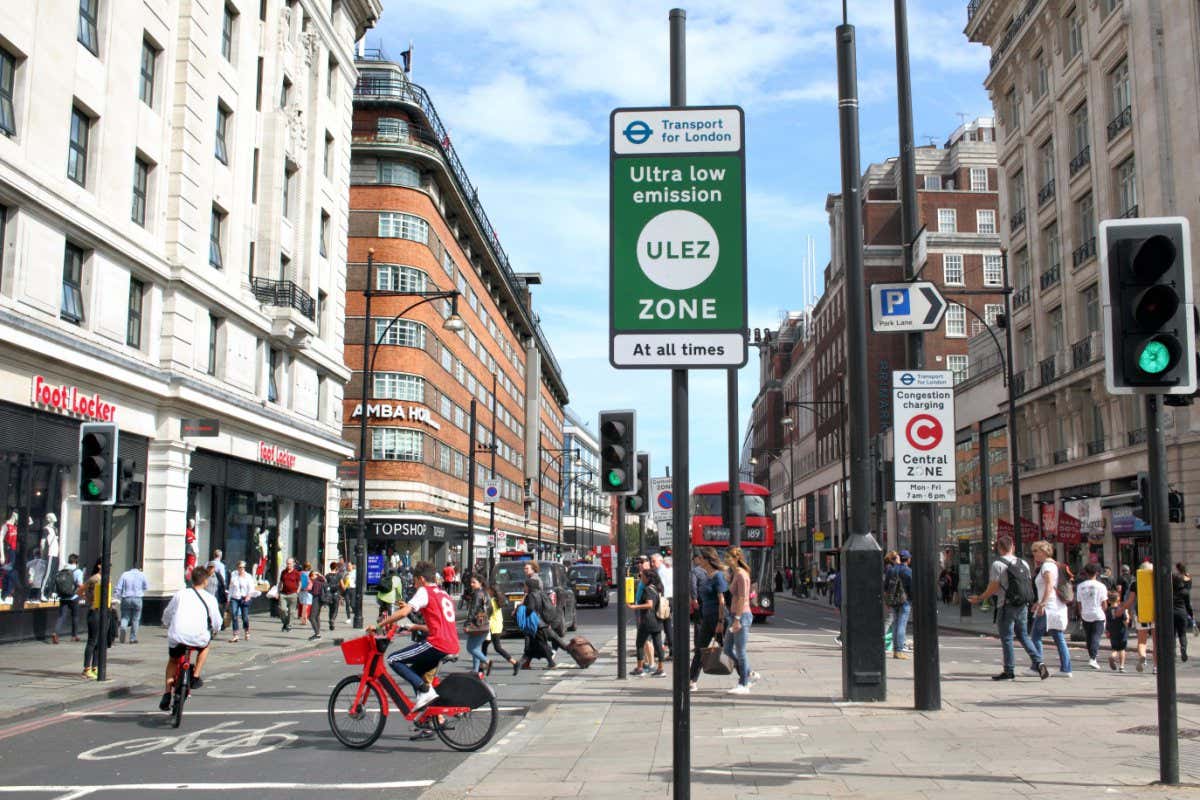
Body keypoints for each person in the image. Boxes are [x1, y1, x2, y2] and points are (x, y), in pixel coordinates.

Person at [368, 561, 460, 711]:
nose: (414, 584)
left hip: (437, 643)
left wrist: (379, 625)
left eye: (415, 580)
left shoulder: (425, 591)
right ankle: (427, 719)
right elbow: (436, 626)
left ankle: (425, 691)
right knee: (415, 673)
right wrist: (415, 627)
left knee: (393, 659)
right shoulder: (443, 593)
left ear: (421, 579)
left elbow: (403, 613)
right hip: (451, 643)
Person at [968, 535, 1048, 681]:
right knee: (1023, 635)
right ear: (1013, 547)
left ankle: (1009, 670)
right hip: (1022, 604)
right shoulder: (1023, 562)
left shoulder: (998, 564)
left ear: (999, 548)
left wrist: (980, 598)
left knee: (1007, 638)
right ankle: (1039, 662)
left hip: (1006, 605)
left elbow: (993, 586)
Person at [158, 566, 222, 711]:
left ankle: (167, 693)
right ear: (205, 581)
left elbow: (168, 613)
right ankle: (196, 675)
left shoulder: (180, 594)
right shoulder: (210, 598)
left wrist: (165, 622)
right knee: (205, 647)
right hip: (199, 638)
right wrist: (216, 630)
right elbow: (217, 621)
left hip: (178, 636)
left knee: (173, 660)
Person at [1029, 541, 1071, 677]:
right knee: (1058, 637)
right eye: (1033, 551)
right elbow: (1047, 588)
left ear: (1045, 551)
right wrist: (1038, 602)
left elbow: (1048, 585)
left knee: (1035, 637)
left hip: (1049, 608)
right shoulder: (1051, 565)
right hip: (1054, 607)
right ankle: (1066, 669)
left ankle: (1037, 666)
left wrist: (1042, 604)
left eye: (1036, 551)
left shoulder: (1047, 566)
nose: (1034, 554)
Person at [688, 547, 727, 691]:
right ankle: (691, 680)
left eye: (701, 558)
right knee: (700, 649)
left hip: (718, 618)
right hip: (707, 618)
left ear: (707, 560)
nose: (698, 560)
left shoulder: (718, 576)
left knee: (727, 650)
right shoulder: (705, 575)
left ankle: (746, 675)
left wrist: (721, 622)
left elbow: (722, 601)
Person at [723, 546, 756, 694]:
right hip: (734, 615)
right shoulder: (736, 573)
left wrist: (737, 619)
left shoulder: (742, 575)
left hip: (741, 615)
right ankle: (749, 673)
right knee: (727, 649)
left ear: (736, 558)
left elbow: (742, 597)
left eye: (728, 557)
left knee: (740, 651)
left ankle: (744, 684)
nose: (726, 560)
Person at [628, 568, 665, 677]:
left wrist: (635, 606)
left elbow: (649, 604)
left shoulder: (647, 589)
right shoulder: (657, 588)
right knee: (658, 645)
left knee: (639, 643)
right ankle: (660, 668)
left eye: (642, 576)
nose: (641, 578)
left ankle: (640, 668)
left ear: (648, 578)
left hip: (648, 620)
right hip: (657, 620)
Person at [80, 559, 109, 680]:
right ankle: (86, 669)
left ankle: (95, 667)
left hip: (103, 611)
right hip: (95, 611)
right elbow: (80, 590)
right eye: (107, 564)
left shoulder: (106, 578)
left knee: (100, 641)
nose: (109, 567)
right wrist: (88, 599)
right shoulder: (95, 578)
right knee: (92, 641)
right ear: (99, 565)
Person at [1075, 563, 1108, 670]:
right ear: (1097, 573)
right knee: (1096, 636)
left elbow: (1079, 602)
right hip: (1098, 613)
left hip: (1085, 613)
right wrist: (1103, 611)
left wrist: (1081, 613)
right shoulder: (1101, 586)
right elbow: (1104, 603)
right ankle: (1093, 658)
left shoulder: (1080, 586)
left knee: (1089, 637)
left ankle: (1092, 657)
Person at [482, 583, 519, 676]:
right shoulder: (498, 600)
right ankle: (482, 667)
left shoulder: (491, 601)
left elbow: (487, 614)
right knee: (486, 646)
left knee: (494, 647)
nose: (487, 591)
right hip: (497, 626)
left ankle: (515, 662)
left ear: (492, 592)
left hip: (492, 627)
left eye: (488, 590)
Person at [884, 551, 913, 660]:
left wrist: (887, 601)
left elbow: (886, 587)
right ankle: (899, 650)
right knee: (902, 625)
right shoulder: (908, 571)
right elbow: (912, 588)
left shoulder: (891, 570)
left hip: (893, 601)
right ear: (908, 559)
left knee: (896, 624)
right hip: (905, 601)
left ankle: (896, 650)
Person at [462, 574, 491, 677]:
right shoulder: (485, 593)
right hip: (485, 624)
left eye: (474, 582)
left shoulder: (478, 594)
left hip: (476, 625)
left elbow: (473, 610)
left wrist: (467, 623)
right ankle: (475, 671)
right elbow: (489, 609)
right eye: (471, 582)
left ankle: (486, 661)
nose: (471, 584)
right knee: (476, 648)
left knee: (470, 648)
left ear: (480, 583)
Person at [51, 554, 84, 645]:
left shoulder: (61, 571)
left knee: (61, 616)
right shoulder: (78, 571)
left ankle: (55, 633)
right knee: (75, 616)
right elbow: (80, 584)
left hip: (62, 596)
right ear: (76, 562)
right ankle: (74, 635)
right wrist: (84, 592)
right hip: (73, 596)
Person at [114, 563, 149, 644]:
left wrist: (116, 596)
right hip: (137, 598)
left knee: (125, 616)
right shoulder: (142, 575)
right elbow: (146, 587)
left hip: (126, 598)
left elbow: (119, 587)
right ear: (139, 568)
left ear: (131, 567)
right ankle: (132, 638)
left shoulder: (125, 574)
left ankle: (123, 627)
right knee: (136, 619)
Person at [651, 552, 673, 659]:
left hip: (663, 600)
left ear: (661, 561)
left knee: (660, 625)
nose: (652, 564)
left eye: (654, 561)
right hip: (670, 598)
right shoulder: (669, 569)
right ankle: (671, 650)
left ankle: (659, 650)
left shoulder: (660, 572)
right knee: (667, 625)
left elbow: (659, 587)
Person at [227, 560, 255, 642]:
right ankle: (235, 634)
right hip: (235, 597)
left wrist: (248, 596)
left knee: (245, 617)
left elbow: (251, 588)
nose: (241, 569)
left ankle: (247, 631)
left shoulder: (248, 576)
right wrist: (229, 599)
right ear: (237, 568)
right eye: (240, 567)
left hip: (244, 598)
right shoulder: (234, 575)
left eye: (243, 568)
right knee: (234, 615)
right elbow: (231, 587)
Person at [1106, 590, 1130, 671]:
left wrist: (1107, 631)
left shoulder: (1108, 610)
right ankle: (1122, 666)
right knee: (1122, 649)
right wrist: (1128, 619)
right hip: (1122, 631)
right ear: (1118, 599)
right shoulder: (1120, 609)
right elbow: (1125, 621)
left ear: (1109, 600)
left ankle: (1112, 656)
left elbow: (1107, 621)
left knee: (1115, 648)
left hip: (1112, 631)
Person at [277, 558, 301, 632]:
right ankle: (285, 622)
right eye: (287, 563)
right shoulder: (283, 572)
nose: (288, 565)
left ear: (293, 564)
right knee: (282, 609)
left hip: (293, 594)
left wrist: (297, 591)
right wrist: (278, 591)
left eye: (290, 563)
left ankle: (289, 625)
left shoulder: (296, 573)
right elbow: (280, 582)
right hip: (283, 594)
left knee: (291, 611)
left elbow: (300, 583)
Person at [1172, 565, 1190, 662]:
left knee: (1172, 634)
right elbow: (1188, 605)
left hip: (1171, 614)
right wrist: (1191, 615)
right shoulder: (1185, 592)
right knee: (1182, 634)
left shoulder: (1169, 592)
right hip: (1182, 613)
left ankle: (1173, 652)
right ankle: (1183, 649)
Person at [323, 561, 343, 632]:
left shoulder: (327, 575)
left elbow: (324, 585)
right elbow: (342, 585)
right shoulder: (339, 575)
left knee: (330, 609)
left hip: (329, 594)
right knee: (335, 609)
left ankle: (330, 621)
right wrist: (343, 592)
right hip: (336, 594)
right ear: (336, 567)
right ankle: (332, 620)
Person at [307, 568, 326, 640]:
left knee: (311, 617)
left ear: (312, 576)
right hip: (320, 600)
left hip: (316, 600)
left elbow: (315, 592)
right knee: (317, 616)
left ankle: (317, 634)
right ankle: (318, 633)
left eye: (310, 577)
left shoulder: (316, 582)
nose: (310, 578)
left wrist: (309, 591)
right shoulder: (321, 581)